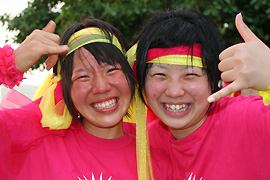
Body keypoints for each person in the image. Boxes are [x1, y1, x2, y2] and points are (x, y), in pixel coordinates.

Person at [0, 17, 165, 179]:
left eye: (111, 70)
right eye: (83, 77)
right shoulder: (28, 140)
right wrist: (5, 66)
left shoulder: (158, 153)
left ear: (131, 76)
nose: (101, 87)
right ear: (65, 89)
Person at [130, 9, 270, 179]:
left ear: (213, 81)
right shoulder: (144, 143)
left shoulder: (248, 119)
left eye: (190, 75)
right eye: (160, 75)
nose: (174, 91)